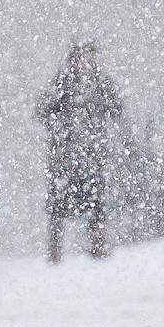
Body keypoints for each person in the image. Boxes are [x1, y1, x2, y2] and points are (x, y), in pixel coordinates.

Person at [38, 40, 123, 264]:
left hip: (92, 158)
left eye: (89, 57)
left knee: (96, 205)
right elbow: (43, 109)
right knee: (58, 209)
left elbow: (116, 108)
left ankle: (98, 249)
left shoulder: (100, 84)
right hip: (64, 159)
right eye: (81, 57)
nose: (84, 62)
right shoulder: (63, 83)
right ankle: (54, 255)